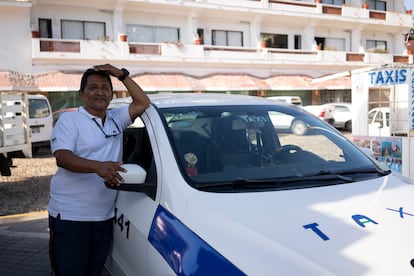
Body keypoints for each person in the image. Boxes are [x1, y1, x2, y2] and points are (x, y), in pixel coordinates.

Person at [48, 64, 150, 276]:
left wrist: (120, 74)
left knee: (93, 272)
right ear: (81, 93)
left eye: (104, 88)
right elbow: (63, 158)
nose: (99, 92)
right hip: (71, 217)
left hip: (103, 216)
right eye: (93, 87)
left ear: (111, 95)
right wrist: (98, 167)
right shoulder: (70, 120)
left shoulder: (116, 118)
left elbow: (142, 102)